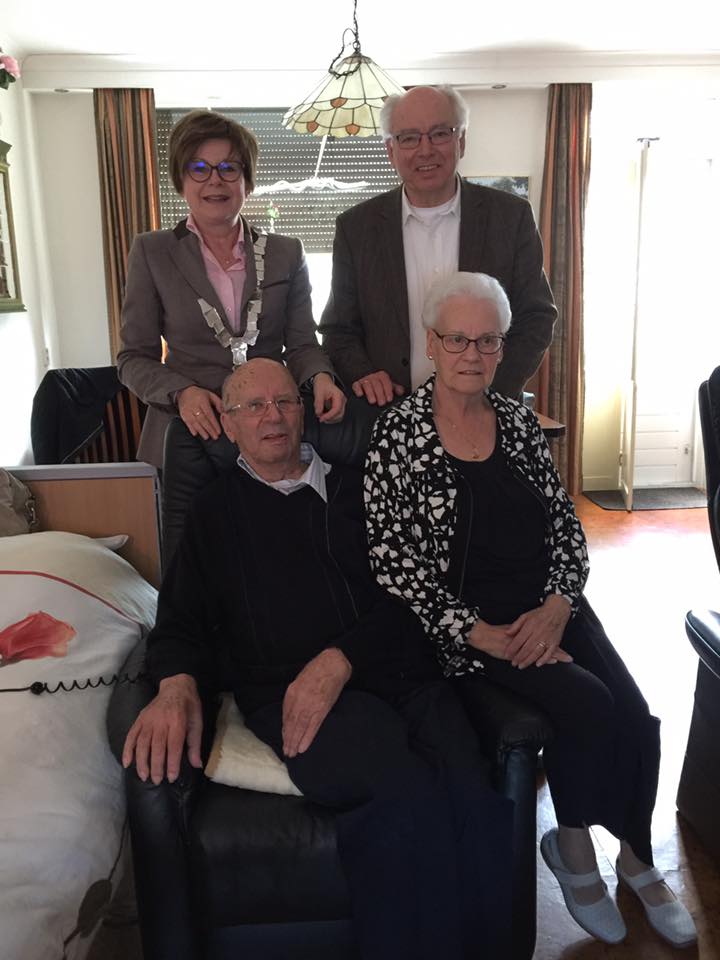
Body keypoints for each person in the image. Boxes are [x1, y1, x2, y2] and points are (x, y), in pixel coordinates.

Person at [122, 357, 513, 960]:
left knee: (474, 794)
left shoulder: (364, 490)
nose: (272, 416)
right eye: (253, 407)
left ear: (303, 412)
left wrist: (341, 659)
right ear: (229, 425)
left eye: (284, 401)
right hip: (290, 693)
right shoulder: (213, 513)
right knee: (402, 794)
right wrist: (175, 687)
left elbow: (417, 595)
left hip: (399, 674)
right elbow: (178, 623)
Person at [364, 272, 697, 950]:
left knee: (637, 715)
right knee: (587, 702)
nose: (473, 353)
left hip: (547, 605)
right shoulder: (398, 434)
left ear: (502, 347)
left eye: (488, 340)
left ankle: (636, 857)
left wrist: (558, 604)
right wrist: (478, 633)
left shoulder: (518, 421)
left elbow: (567, 528)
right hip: (473, 630)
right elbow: (391, 561)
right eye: (458, 339)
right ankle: (571, 846)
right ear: (432, 342)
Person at [117, 110, 345, 468]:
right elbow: (133, 359)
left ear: (247, 182)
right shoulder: (152, 252)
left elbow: (302, 344)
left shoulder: (286, 252)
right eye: (199, 168)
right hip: (189, 434)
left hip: (271, 433)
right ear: (180, 180)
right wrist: (181, 393)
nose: (215, 180)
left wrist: (321, 378)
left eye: (229, 168)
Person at [319, 85, 556, 408]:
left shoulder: (510, 218)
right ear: (390, 150)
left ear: (461, 141)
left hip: (487, 415)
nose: (426, 150)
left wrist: (490, 390)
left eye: (440, 134)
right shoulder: (356, 228)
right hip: (388, 415)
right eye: (409, 138)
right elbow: (338, 329)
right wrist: (363, 372)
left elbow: (536, 317)